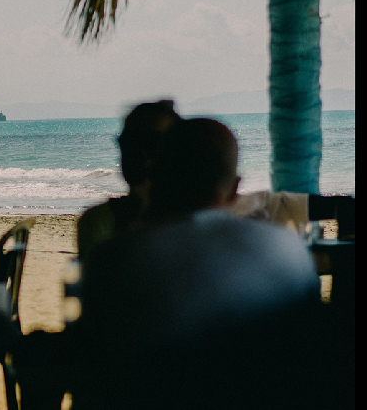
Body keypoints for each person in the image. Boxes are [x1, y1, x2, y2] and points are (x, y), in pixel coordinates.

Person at [74, 118, 327, 408]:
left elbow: (96, 360)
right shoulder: (288, 248)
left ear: (156, 176)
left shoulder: (115, 258)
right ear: (234, 189)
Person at [76, 99, 181, 263]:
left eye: (153, 143)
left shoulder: (195, 222)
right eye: (130, 142)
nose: (140, 153)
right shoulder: (99, 222)